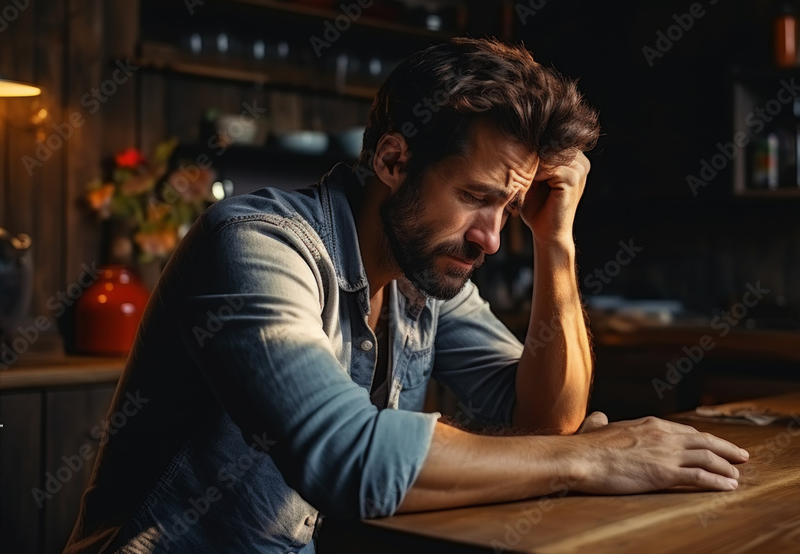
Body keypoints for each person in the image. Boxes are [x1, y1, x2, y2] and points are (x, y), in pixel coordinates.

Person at [64, 37, 748, 554]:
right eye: (477, 198)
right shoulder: (255, 245)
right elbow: (347, 456)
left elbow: (546, 421)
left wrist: (556, 241)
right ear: (393, 160)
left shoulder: (429, 276)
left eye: (508, 208)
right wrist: (597, 458)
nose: (490, 238)